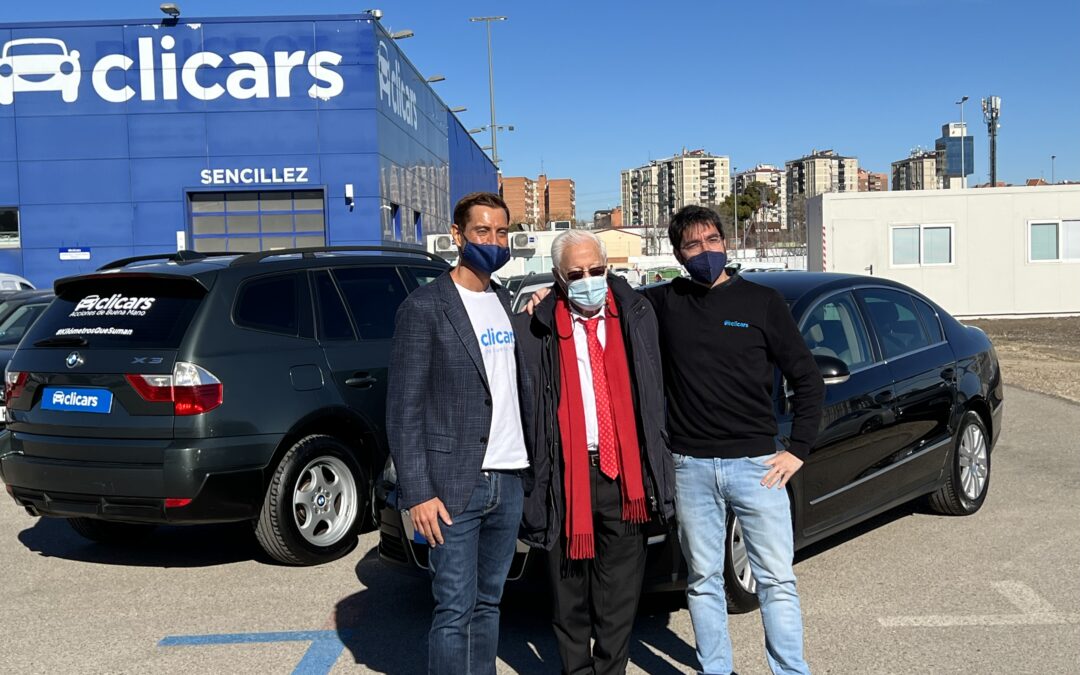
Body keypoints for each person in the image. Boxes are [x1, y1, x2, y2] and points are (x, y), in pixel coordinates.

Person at [642, 205, 824, 675]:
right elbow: (609, 296)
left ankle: (790, 670)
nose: (704, 251)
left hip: (757, 466)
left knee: (776, 580)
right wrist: (550, 293)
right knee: (703, 580)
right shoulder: (665, 302)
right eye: (692, 245)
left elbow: (808, 379)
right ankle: (716, 669)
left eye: (712, 240)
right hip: (691, 467)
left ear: (726, 242)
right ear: (678, 255)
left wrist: (798, 450)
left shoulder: (762, 302)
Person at [516, 230, 675, 675]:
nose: (588, 280)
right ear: (558, 278)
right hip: (565, 477)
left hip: (625, 475)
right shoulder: (534, 328)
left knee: (619, 599)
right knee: (569, 600)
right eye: (576, 274)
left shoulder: (637, 315)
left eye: (596, 270)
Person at [387, 191, 532, 675]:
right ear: (457, 235)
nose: (494, 241)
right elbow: (403, 410)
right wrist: (418, 493)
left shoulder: (505, 303)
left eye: (501, 232)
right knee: (454, 609)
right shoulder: (425, 307)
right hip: (453, 486)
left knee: (489, 604)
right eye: (482, 231)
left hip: (508, 479)